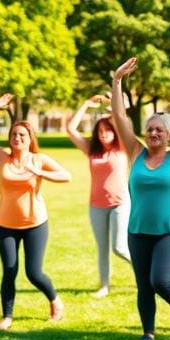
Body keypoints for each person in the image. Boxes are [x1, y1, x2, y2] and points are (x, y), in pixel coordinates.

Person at [111, 56, 170, 340]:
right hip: (138, 229)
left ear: (169, 135)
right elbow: (119, 118)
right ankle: (147, 334)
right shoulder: (135, 152)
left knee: (159, 280)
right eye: (150, 128)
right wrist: (117, 81)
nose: (153, 133)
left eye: (159, 130)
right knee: (143, 286)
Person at [0, 95, 71, 329]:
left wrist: (41, 173)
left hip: (35, 223)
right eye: (14, 134)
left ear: (29, 139)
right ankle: (7, 317)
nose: (17, 138)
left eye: (22, 135)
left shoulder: (39, 159)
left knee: (34, 273)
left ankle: (55, 301)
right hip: (6, 224)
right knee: (9, 270)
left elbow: (67, 176)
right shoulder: (1, 158)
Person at [66, 94, 131, 298]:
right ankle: (104, 286)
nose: (104, 135)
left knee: (119, 247)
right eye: (100, 132)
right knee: (102, 248)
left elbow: (122, 119)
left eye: (107, 131)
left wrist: (113, 104)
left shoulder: (122, 147)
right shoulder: (91, 150)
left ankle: (144, 272)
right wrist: (86, 103)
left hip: (120, 203)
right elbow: (70, 129)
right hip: (96, 205)